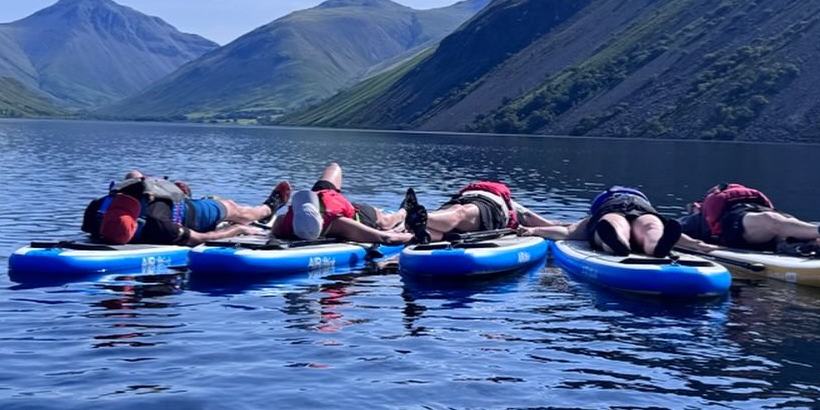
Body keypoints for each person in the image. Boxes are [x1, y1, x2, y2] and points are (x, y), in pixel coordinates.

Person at [84, 171, 291, 246]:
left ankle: (266, 210)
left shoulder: (95, 210)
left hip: (163, 202)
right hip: (191, 215)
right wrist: (239, 229)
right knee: (231, 207)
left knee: (133, 174)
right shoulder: (159, 226)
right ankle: (266, 210)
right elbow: (202, 238)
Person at [677, 183, 820, 255]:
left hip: (757, 217)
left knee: (786, 223)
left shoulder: (740, 202)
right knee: (770, 220)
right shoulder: (695, 220)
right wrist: (697, 245)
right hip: (736, 225)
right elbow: (670, 231)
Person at [515, 185, 683, 257]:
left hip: (610, 208)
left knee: (614, 225)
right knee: (652, 227)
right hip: (643, 209)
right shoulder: (643, 203)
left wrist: (534, 230)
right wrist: (697, 245)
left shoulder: (594, 215)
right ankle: (656, 246)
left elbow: (567, 232)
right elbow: (682, 237)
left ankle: (617, 243)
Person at [271, 163, 412, 245]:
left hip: (323, 194)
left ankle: (403, 212)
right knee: (385, 222)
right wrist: (414, 236)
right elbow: (386, 238)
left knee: (334, 167)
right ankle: (404, 211)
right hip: (355, 213)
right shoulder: (340, 223)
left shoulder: (282, 223)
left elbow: (272, 235)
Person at [401, 179, 563, 244]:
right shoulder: (510, 203)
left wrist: (560, 228)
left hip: (481, 206)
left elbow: (535, 221)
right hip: (474, 203)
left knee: (459, 212)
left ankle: (416, 219)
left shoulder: (512, 205)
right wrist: (561, 227)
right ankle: (419, 223)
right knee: (456, 213)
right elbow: (541, 222)